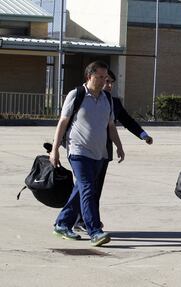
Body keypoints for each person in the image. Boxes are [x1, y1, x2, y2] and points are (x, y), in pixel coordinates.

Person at [50, 61, 125, 247]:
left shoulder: (107, 99)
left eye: (105, 77)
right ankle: (95, 231)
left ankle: (62, 223)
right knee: (88, 188)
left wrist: (119, 146)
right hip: (78, 151)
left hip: (98, 153)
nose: (103, 81)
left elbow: (111, 126)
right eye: (100, 77)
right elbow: (63, 122)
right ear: (89, 76)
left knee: (81, 189)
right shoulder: (76, 95)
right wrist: (54, 150)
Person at [73, 69, 153, 232]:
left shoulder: (113, 102)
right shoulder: (82, 97)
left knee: (94, 188)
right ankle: (83, 221)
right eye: (105, 80)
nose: (108, 85)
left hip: (103, 152)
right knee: (86, 187)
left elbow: (127, 120)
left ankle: (86, 219)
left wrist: (143, 135)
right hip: (83, 150)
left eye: (110, 82)